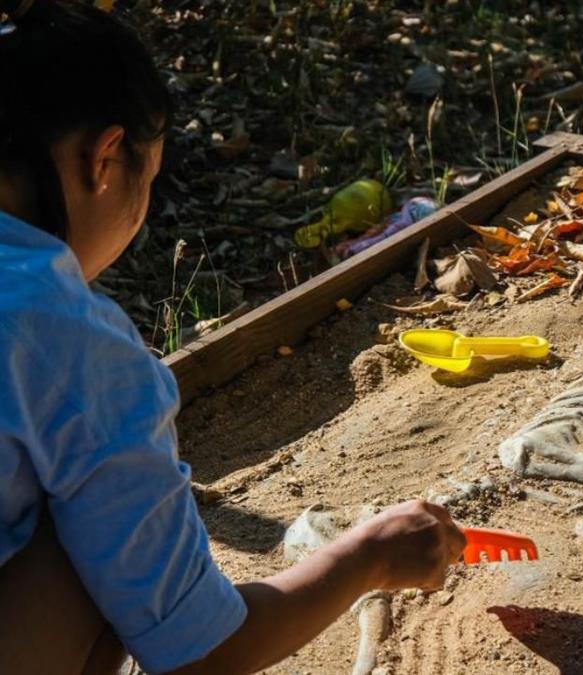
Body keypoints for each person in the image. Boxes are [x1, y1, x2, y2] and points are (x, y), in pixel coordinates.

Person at [0, 2, 465, 673]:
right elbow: (202, 652)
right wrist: (368, 555)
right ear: (104, 159)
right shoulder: (69, 339)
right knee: (94, 552)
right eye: (148, 181)